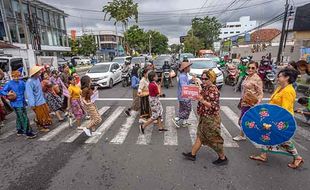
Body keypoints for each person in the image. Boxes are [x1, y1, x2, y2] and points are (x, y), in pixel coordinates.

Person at [250, 68, 303, 169]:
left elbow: (284, 110)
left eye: (280, 76)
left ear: (287, 77)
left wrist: (273, 121)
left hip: (281, 120)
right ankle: (263, 155)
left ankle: (297, 157)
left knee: (284, 139)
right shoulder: (280, 87)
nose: (277, 78)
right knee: (265, 134)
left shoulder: (288, 91)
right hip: (273, 116)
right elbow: (274, 103)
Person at [182, 69, 228, 165]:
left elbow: (214, 106)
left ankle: (223, 158)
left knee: (214, 139)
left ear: (211, 78)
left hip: (211, 118)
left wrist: (202, 100)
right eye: (202, 78)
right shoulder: (206, 87)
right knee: (200, 135)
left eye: (206, 79)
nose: (203, 80)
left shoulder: (213, 89)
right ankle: (193, 154)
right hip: (204, 116)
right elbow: (200, 93)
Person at [0, 71, 36, 138]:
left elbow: (28, 88)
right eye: (14, 76)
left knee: (20, 116)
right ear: (12, 76)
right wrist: (7, 94)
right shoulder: (9, 83)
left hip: (22, 102)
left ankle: (19, 130)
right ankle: (28, 132)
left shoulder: (22, 82)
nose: (16, 78)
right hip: (15, 103)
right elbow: (2, 91)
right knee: (24, 117)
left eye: (17, 76)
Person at [233, 61, 263, 141]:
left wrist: (258, 103)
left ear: (256, 69)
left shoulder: (257, 79)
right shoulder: (247, 77)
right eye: (249, 67)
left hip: (251, 103)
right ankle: (244, 134)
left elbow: (260, 93)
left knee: (243, 120)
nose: (250, 69)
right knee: (245, 120)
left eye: (253, 68)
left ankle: (245, 135)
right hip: (244, 101)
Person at [26, 66, 52, 132]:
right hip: (36, 102)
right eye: (38, 72)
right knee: (40, 115)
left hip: (42, 100)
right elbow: (30, 94)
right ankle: (41, 127)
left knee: (45, 113)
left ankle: (38, 121)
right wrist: (32, 104)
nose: (40, 73)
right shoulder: (29, 82)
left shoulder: (37, 79)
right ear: (34, 73)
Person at [172, 62, 194, 128]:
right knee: (188, 109)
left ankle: (184, 122)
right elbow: (184, 87)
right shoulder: (182, 76)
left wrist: (191, 80)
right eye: (189, 67)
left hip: (182, 96)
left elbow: (186, 83)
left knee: (182, 109)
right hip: (184, 96)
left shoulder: (184, 75)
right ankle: (177, 119)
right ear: (185, 69)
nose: (190, 68)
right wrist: (192, 90)